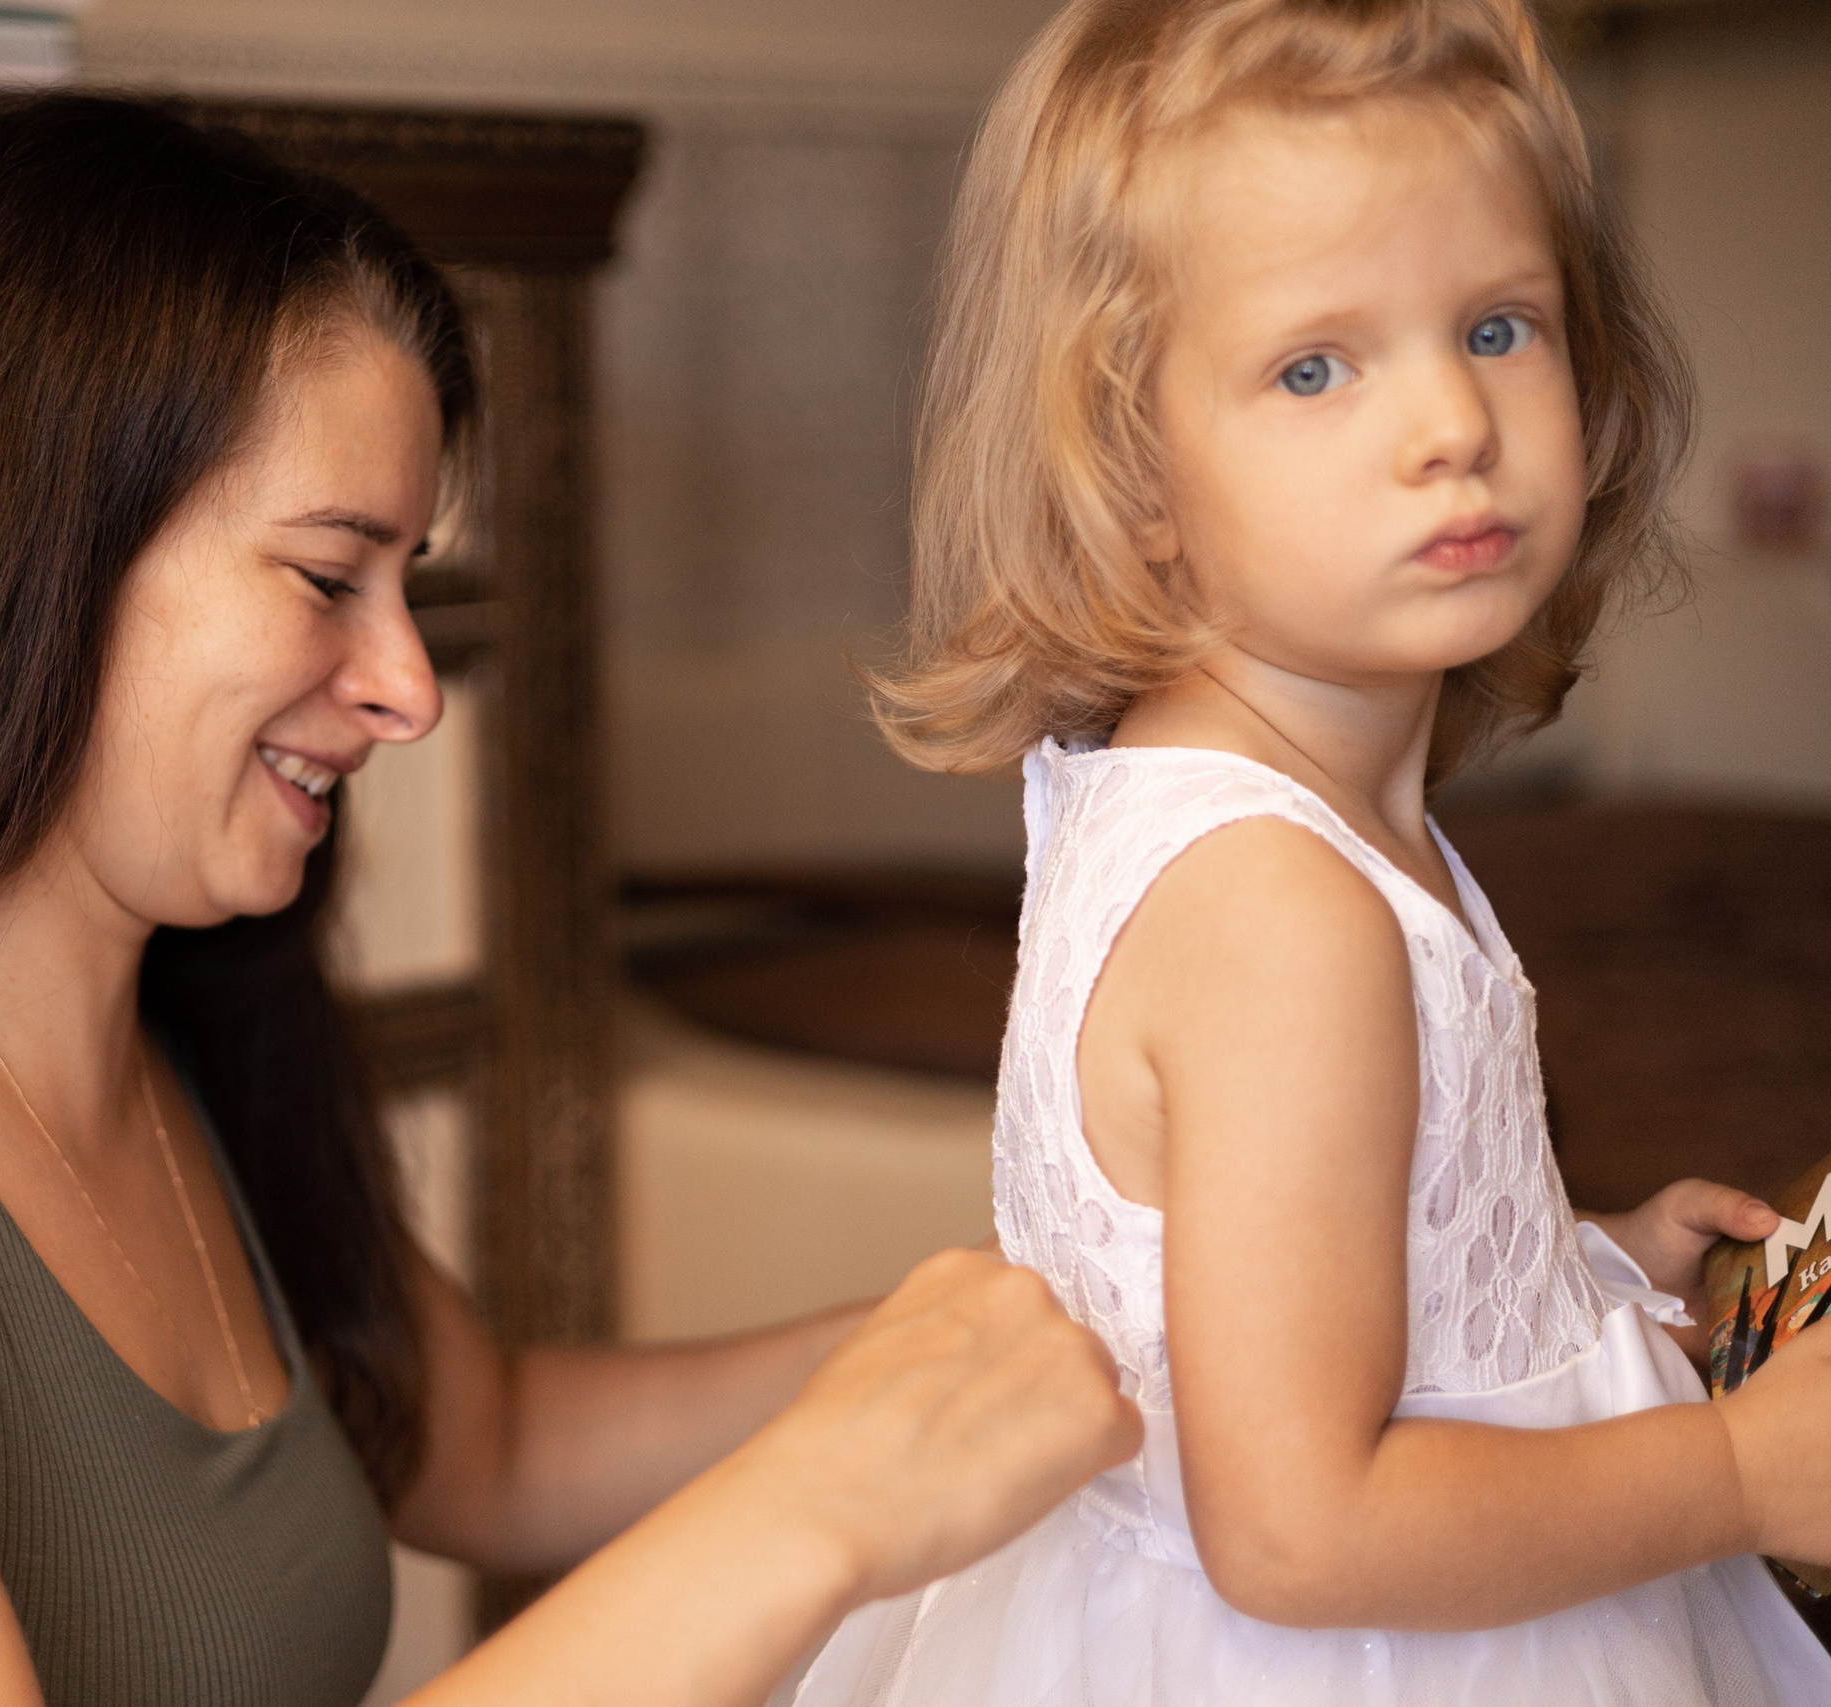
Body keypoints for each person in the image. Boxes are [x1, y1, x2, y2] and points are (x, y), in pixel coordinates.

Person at [0, 96, 1140, 1707]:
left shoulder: (169, 1022)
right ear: (17, 549)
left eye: (405, 586)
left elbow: (484, 1442)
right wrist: (815, 1509)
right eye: (327, 575)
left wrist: (1025, 1327)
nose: (410, 688)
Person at [781, 1, 1831, 1702]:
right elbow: (1299, 1527)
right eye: (1316, 365)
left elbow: (1302, 1276)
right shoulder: (1283, 915)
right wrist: (1744, 1474)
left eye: (1498, 326)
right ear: (1131, 473)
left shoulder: (1248, 811)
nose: (1449, 425)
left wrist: (1569, 1267)